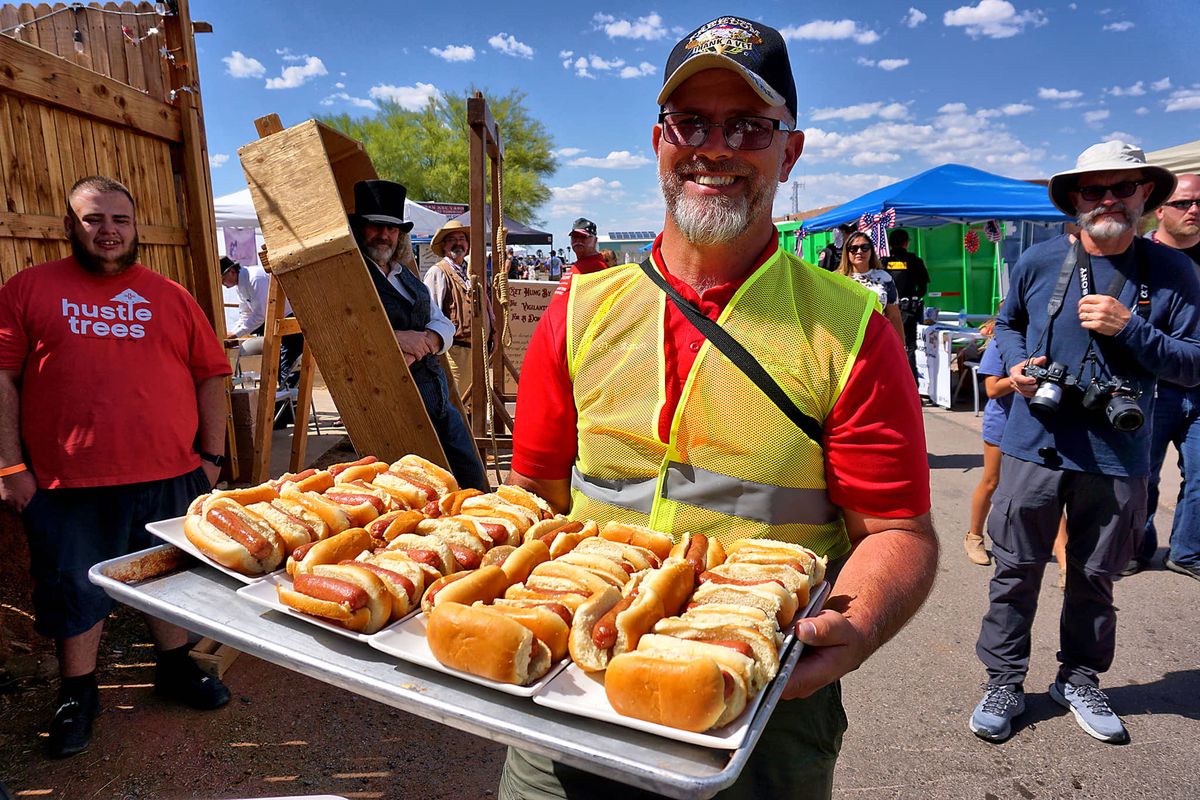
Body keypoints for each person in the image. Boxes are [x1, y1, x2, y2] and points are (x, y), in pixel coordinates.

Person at [504, 16, 936, 798]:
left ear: (789, 150)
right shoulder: (580, 311)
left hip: (763, 696)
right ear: (659, 138)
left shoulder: (850, 329)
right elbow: (536, 498)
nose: (715, 147)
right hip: (566, 691)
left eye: (748, 126)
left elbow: (897, 531)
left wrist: (858, 625)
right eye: (691, 122)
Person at [970, 142, 1200, 746]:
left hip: (1118, 454)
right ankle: (1003, 680)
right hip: (1033, 443)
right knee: (1015, 569)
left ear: (1145, 195)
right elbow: (1011, 320)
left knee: (1096, 576)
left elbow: (1192, 365)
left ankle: (1079, 679)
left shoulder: (1174, 273)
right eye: (1094, 189)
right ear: (1075, 198)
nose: (1107, 200)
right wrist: (1018, 367)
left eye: (1121, 188)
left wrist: (1132, 329)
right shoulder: (1039, 259)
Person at [0, 175, 234, 758]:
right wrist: (10, 467)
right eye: (93, 219)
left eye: (119, 220)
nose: (107, 231)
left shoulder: (172, 296)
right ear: (70, 227)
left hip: (168, 475)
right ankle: (78, 693)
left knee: (171, 580)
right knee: (72, 589)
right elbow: (2, 379)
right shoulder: (28, 289)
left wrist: (211, 459)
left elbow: (210, 375)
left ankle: (175, 668)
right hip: (66, 481)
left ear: (136, 229)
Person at [351, 179, 487, 492]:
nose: (384, 235)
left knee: (471, 476)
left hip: (436, 395)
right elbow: (351, 329)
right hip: (397, 405)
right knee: (422, 491)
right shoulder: (356, 278)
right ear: (361, 229)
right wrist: (395, 339)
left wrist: (426, 343)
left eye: (392, 229)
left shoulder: (405, 276)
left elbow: (444, 323)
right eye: (376, 227)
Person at [1127, 173, 1200, 581]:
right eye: (1184, 203)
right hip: (1154, 388)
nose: (1194, 210)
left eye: (1199, 203)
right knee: (1144, 476)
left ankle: (1187, 553)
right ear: (1159, 211)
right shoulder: (1138, 258)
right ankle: (1136, 547)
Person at [219, 256, 304, 391]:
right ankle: (287, 403)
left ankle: (290, 406)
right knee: (280, 367)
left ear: (232, 272)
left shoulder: (255, 279)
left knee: (287, 369)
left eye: (223, 280)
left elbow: (260, 315)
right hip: (278, 322)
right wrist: (232, 332)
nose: (223, 284)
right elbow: (245, 313)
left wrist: (235, 334)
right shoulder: (241, 286)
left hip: (289, 319)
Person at [425, 219, 484, 396]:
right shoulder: (438, 272)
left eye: (462, 238)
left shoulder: (470, 272)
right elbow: (430, 312)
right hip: (453, 351)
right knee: (456, 400)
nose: (458, 243)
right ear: (444, 246)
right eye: (452, 239)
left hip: (474, 348)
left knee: (474, 401)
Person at [837, 230, 905, 344]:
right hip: (847, 343)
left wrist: (902, 348)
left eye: (864, 247)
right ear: (846, 252)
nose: (859, 252)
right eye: (853, 248)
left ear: (871, 251)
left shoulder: (885, 278)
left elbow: (894, 316)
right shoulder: (837, 279)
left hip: (878, 341)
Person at [884, 229, 931, 382]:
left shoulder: (883, 262)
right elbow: (923, 288)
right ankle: (911, 385)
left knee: (887, 347)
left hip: (886, 312)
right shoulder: (915, 261)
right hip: (908, 311)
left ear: (890, 243)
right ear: (906, 243)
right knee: (909, 348)